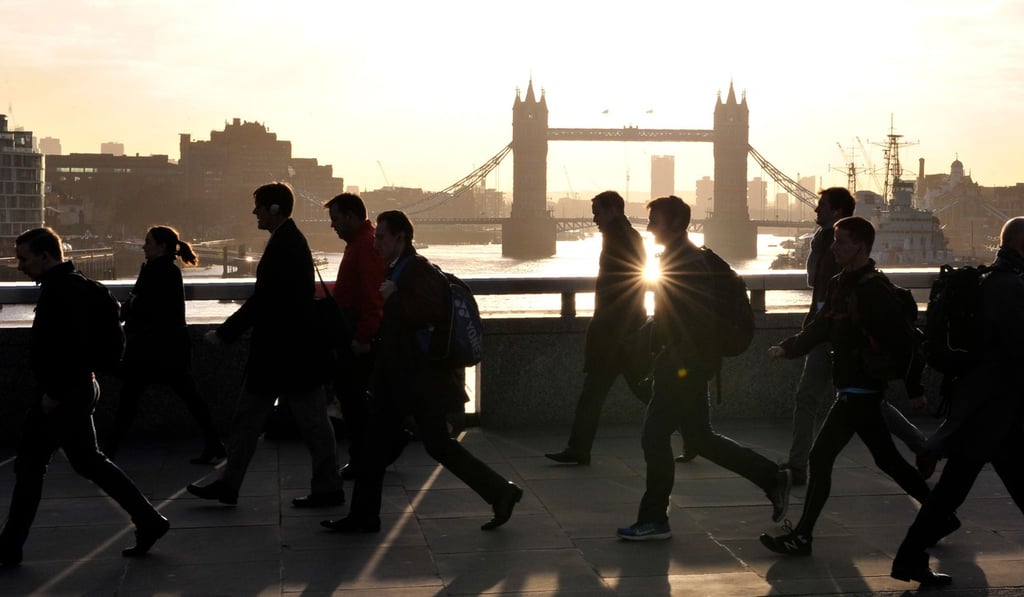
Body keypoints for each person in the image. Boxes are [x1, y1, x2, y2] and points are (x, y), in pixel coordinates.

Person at [321, 210, 522, 533]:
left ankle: (500, 491)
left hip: (416, 380)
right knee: (400, 446)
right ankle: (500, 492)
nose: (376, 243)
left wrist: (395, 298)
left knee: (415, 446)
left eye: (382, 237)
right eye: (375, 238)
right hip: (403, 378)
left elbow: (428, 313)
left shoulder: (416, 271)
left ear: (402, 238)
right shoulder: (399, 269)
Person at [760, 216, 940, 556]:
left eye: (841, 241)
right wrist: (787, 347)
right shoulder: (840, 283)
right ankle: (940, 515)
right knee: (888, 461)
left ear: (860, 246)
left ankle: (803, 536)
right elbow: (821, 327)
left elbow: (904, 343)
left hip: (862, 389)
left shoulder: (874, 290)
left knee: (821, 457)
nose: (835, 246)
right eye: (835, 241)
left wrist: (915, 389)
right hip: (852, 389)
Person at [617, 196, 791, 541]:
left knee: (654, 436)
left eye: (655, 221)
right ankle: (771, 478)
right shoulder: (687, 257)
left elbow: (688, 319)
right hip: (693, 361)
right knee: (699, 437)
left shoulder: (686, 263)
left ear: (677, 225)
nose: (649, 226)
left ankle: (654, 519)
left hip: (683, 363)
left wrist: (662, 349)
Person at [0, 227, 169, 567]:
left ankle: (10, 546)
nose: (19, 265)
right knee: (88, 461)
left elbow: (69, 348)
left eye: (24, 258)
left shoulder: (61, 293)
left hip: (64, 394)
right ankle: (149, 520)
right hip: (78, 388)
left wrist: (53, 393)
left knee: (31, 465)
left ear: (45, 256)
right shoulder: (73, 286)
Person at [187, 182, 344, 508]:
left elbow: (264, 301)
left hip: (286, 353)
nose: (254, 212)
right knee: (260, 420)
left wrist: (226, 332)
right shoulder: (288, 240)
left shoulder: (285, 244)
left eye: (258, 206)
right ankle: (230, 484)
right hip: (289, 353)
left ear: (274, 209)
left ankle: (327, 487)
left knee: (310, 423)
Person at [889, 217, 1024, 587]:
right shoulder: (1010, 286)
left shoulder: (988, 281)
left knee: (952, 491)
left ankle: (908, 559)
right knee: (952, 492)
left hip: (983, 405)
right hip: (997, 409)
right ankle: (908, 557)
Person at [782, 188, 926, 486]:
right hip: (826, 328)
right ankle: (921, 446)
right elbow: (815, 281)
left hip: (843, 334)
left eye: (821, 206)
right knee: (856, 403)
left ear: (836, 211)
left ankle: (799, 466)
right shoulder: (828, 240)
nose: (815, 211)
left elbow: (821, 281)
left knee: (821, 399)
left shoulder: (843, 244)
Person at [545, 190, 654, 465]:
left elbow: (625, 287)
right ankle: (692, 433)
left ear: (613, 210)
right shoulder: (627, 236)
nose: (594, 219)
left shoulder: (620, 239)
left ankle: (579, 449)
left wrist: (616, 330)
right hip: (623, 330)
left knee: (595, 396)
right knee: (640, 392)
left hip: (615, 333)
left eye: (597, 212)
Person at [102, 225, 225, 464]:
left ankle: (108, 452)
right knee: (189, 397)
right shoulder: (163, 269)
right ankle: (214, 442)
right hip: (168, 348)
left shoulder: (161, 271)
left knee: (129, 401)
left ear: (162, 246)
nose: (143, 246)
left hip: (152, 349)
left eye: (148, 242)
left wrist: (120, 315)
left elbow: (143, 304)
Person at [322, 193, 395, 480]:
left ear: (352, 217)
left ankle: (364, 459)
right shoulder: (361, 243)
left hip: (358, 338)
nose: (333, 226)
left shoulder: (365, 246)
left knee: (354, 403)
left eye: (336, 220)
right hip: (355, 334)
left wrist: (362, 338)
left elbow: (373, 298)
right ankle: (370, 454)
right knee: (357, 402)